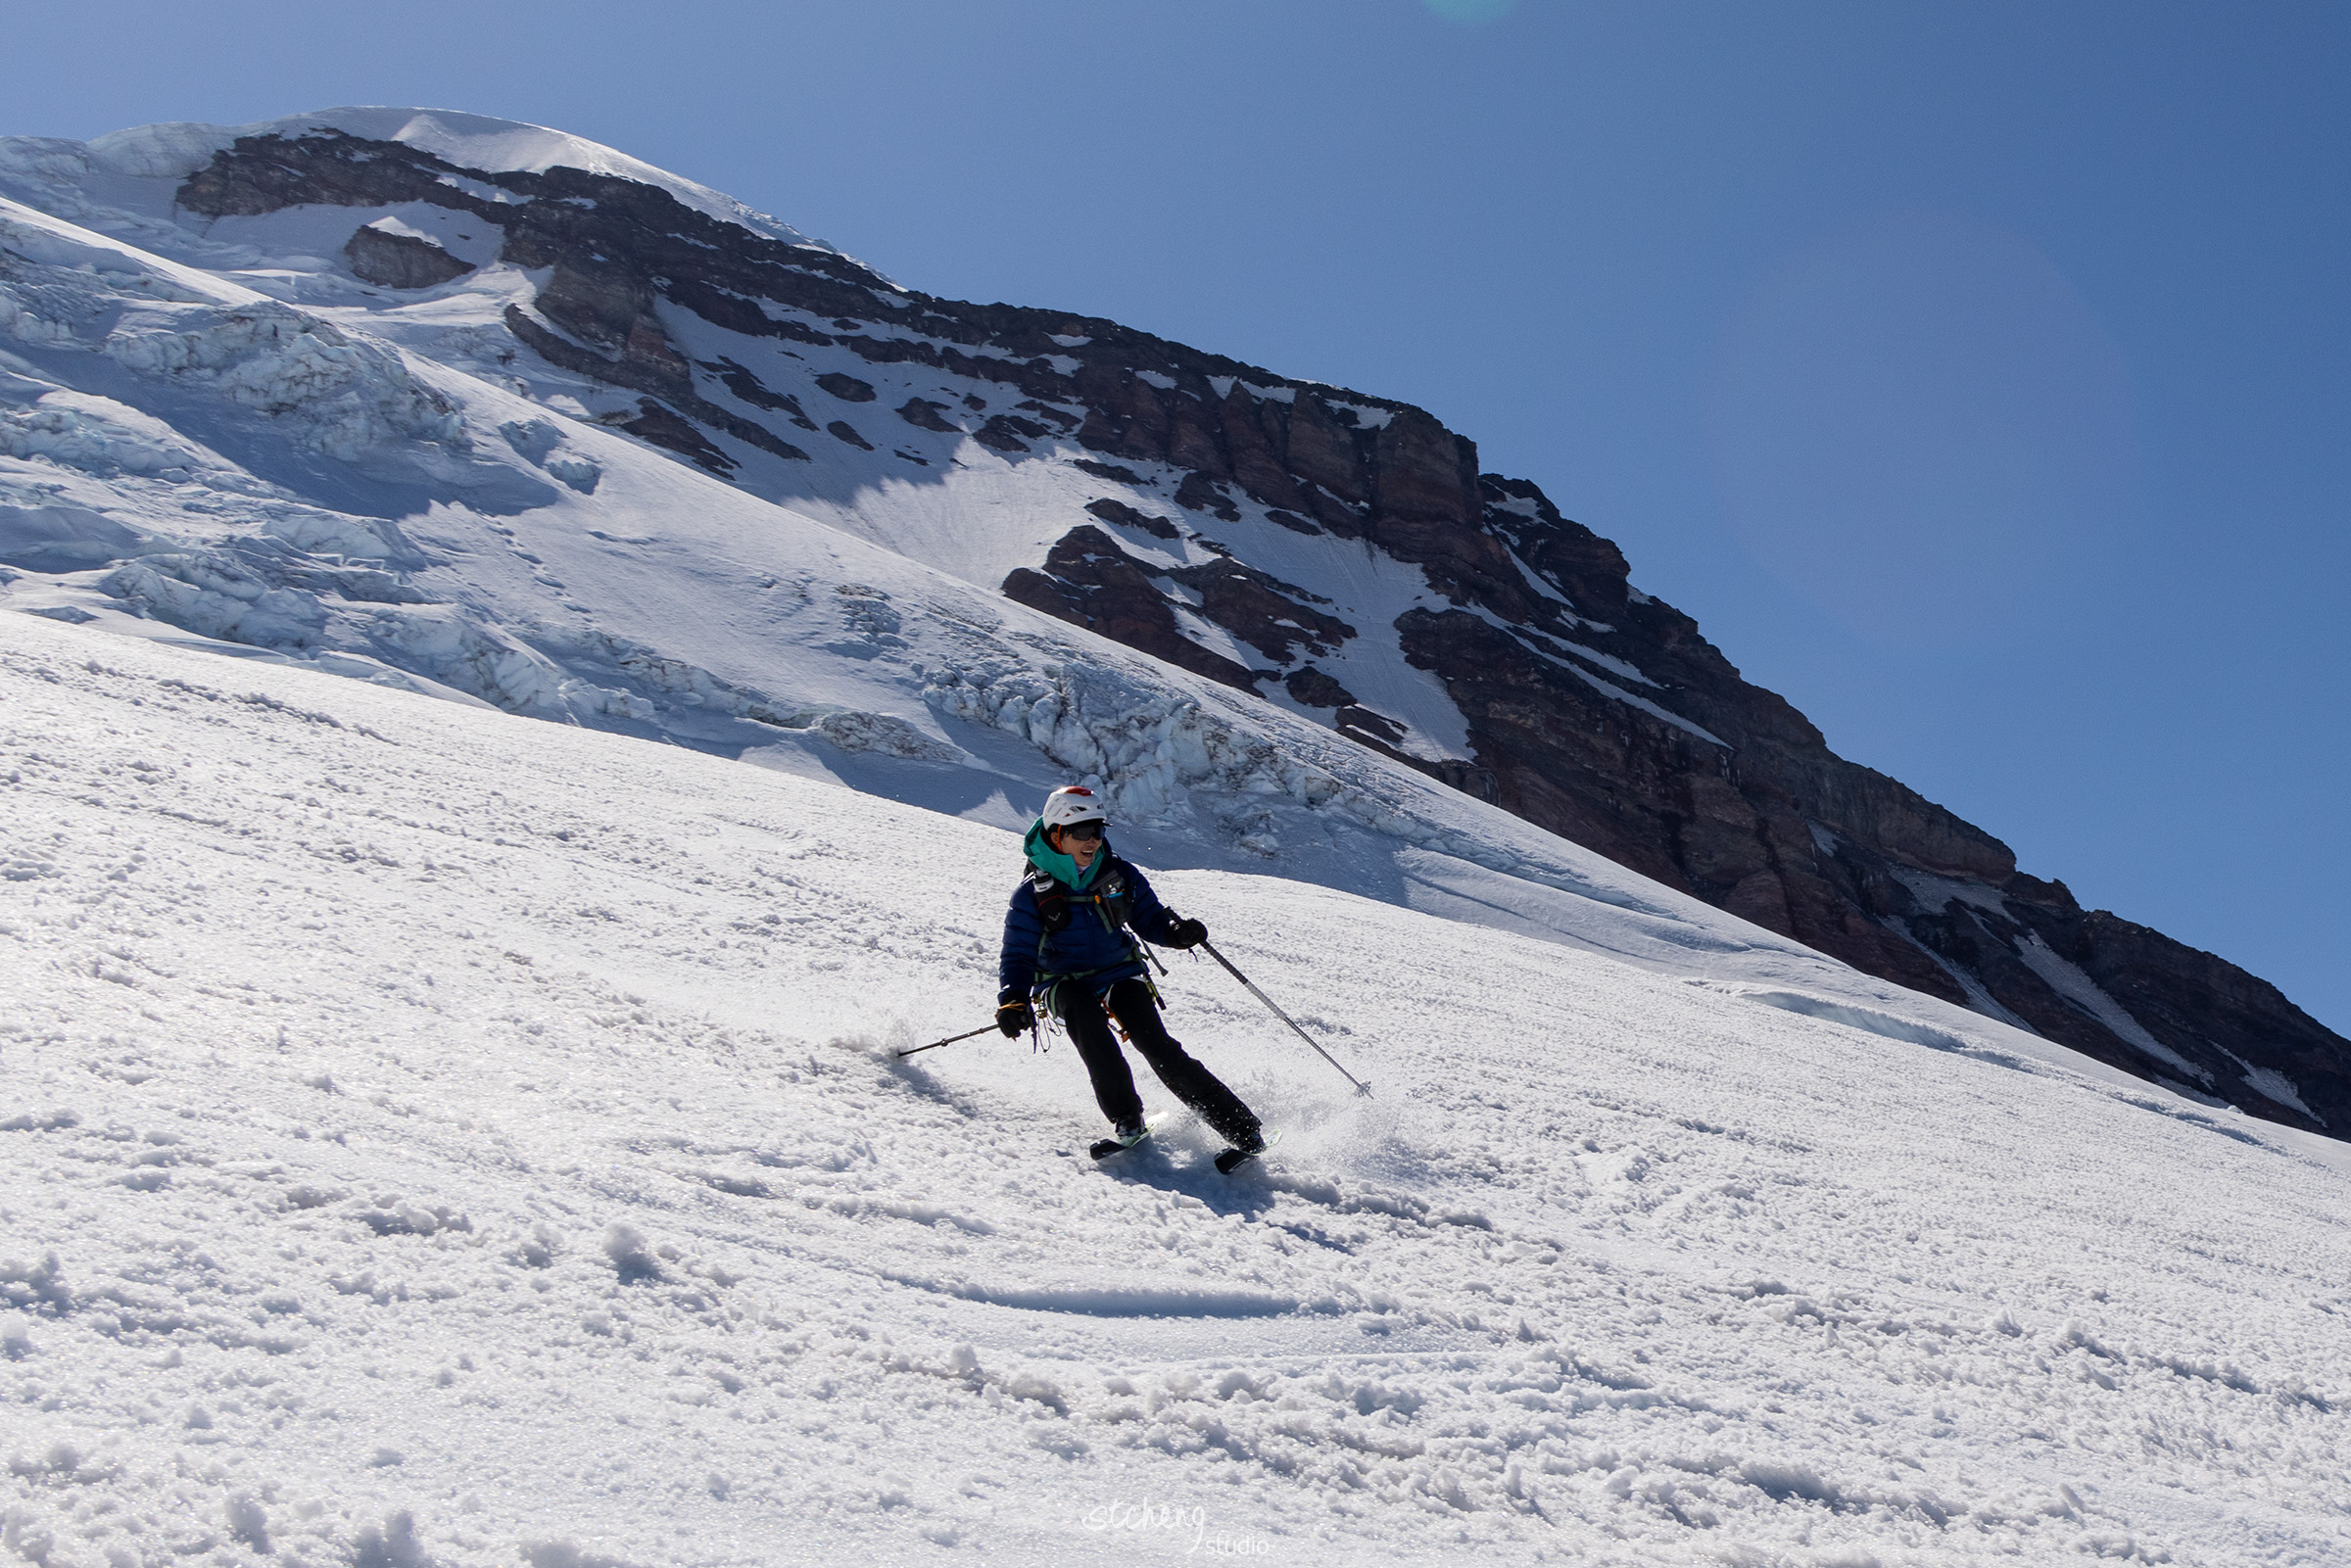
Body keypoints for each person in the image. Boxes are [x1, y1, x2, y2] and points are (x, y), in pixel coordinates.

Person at [996, 785, 1264, 1155]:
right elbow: (1017, 954)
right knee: (1088, 1026)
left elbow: (1150, 920)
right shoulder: (1030, 894)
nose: (1092, 841)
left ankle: (1243, 1131)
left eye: (1098, 831)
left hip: (1117, 970)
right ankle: (1127, 1118)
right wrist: (1013, 1000)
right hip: (1061, 982)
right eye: (1082, 832)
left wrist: (1177, 934)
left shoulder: (1119, 873)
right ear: (1057, 834)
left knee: (1158, 1045)